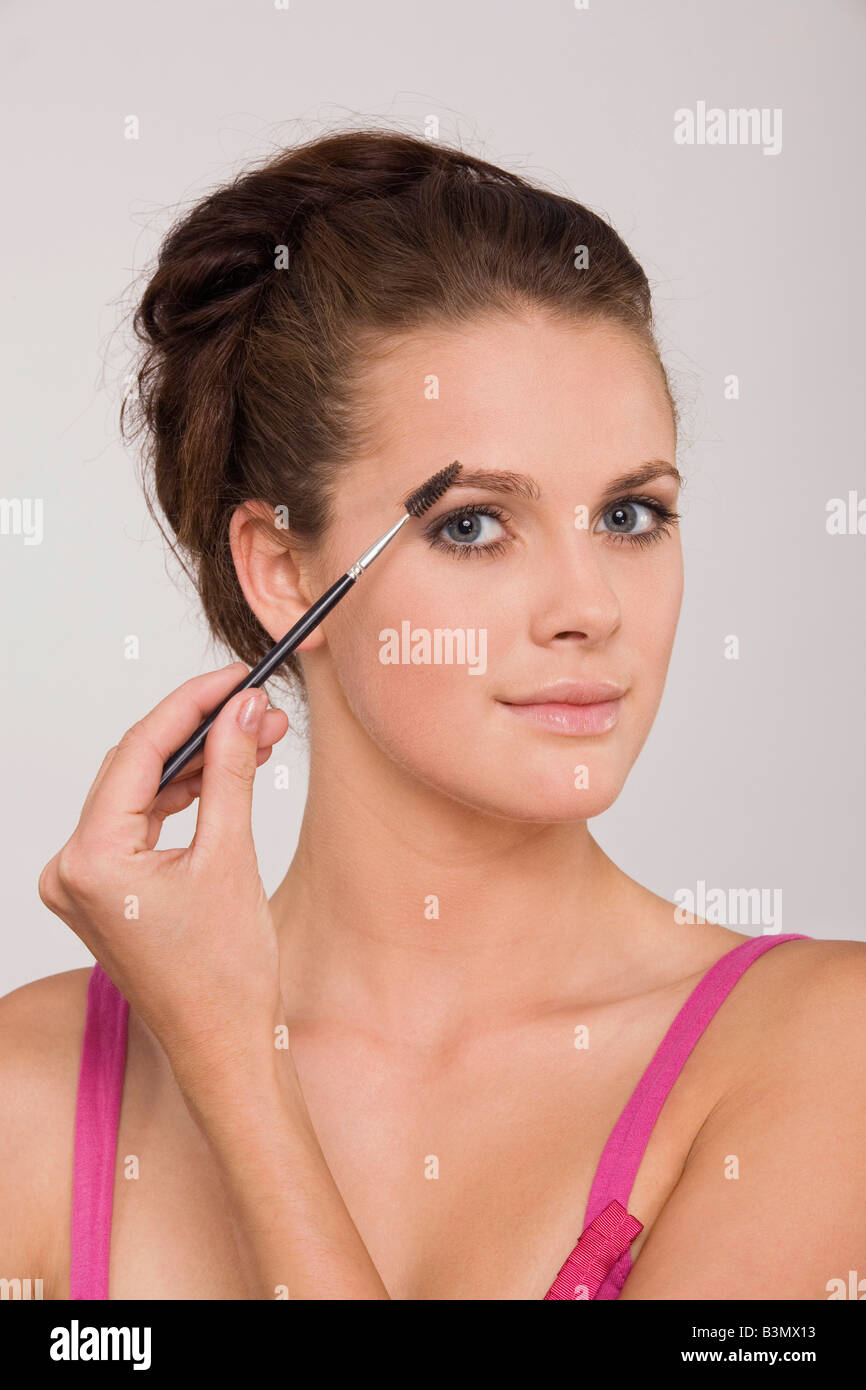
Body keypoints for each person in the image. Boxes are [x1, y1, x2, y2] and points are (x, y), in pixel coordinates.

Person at [3, 129, 864, 1301]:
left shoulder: (819, 1052)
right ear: (281, 568)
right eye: (471, 524)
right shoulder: (34, 1092)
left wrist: (237, 1077)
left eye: (629, 515)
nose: (588, 607)